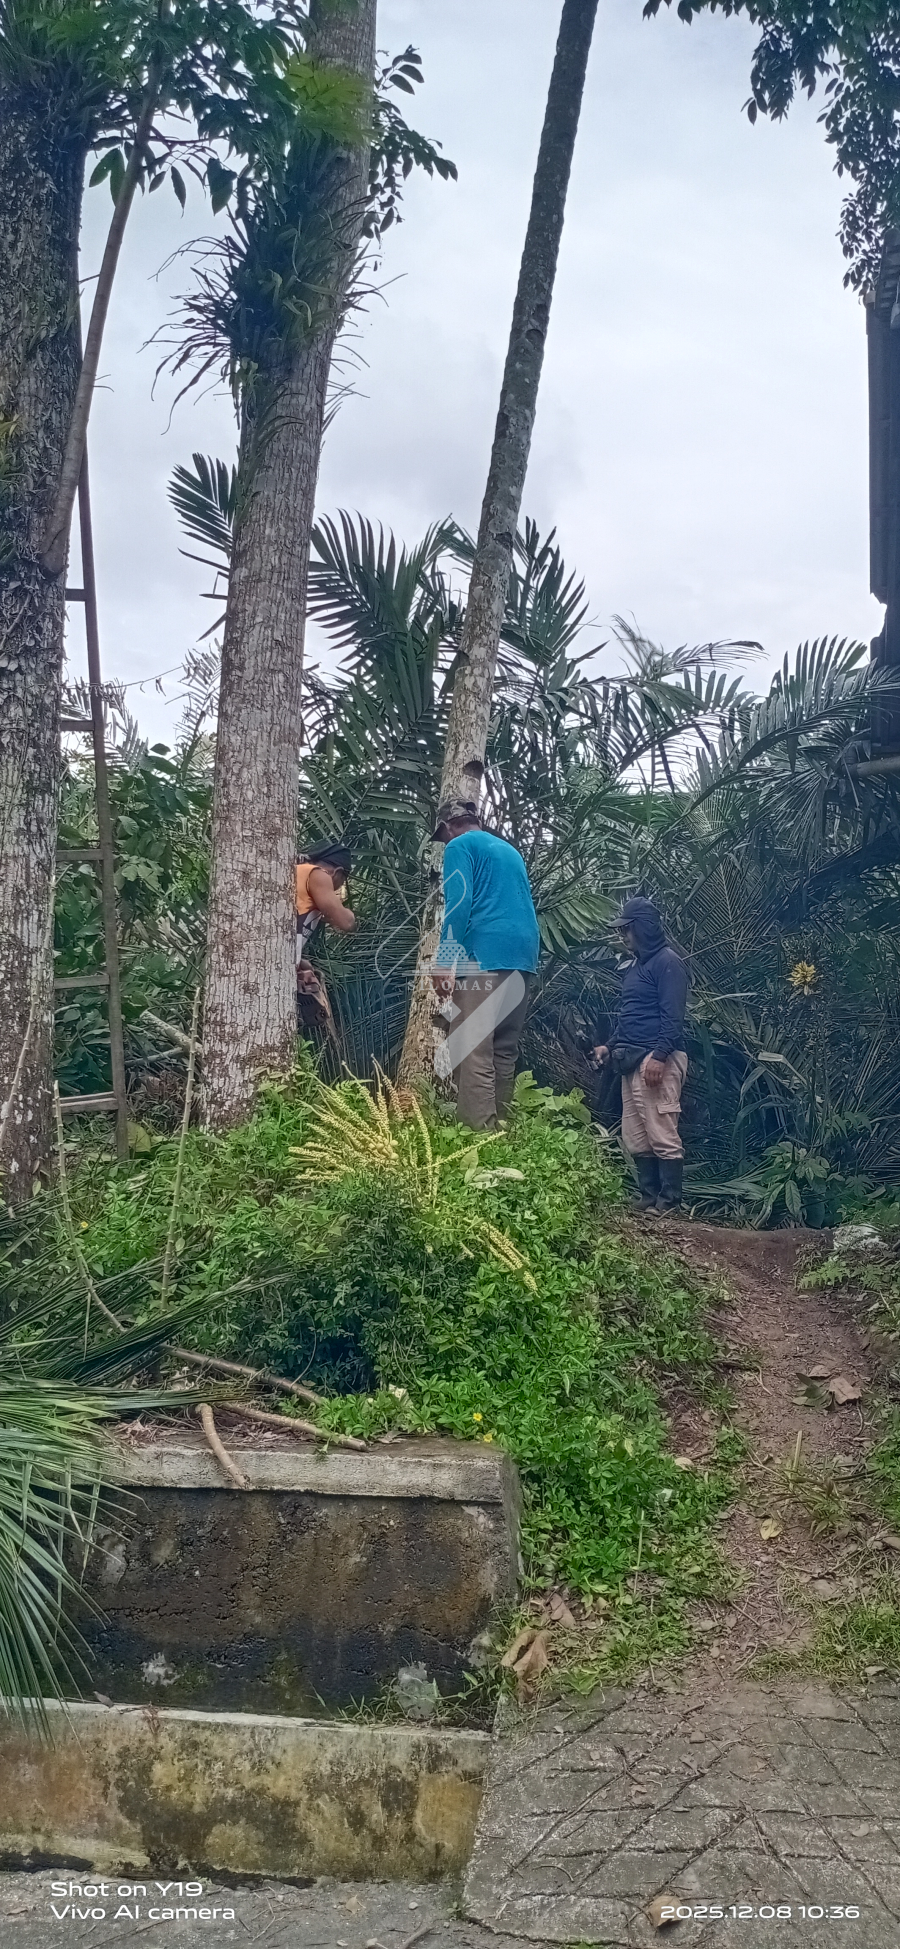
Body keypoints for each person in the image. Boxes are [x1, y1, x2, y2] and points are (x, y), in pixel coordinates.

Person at [431, 799, 540, 1130]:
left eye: (443, 837)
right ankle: (500, 1127)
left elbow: (459, 902)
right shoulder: (509, 851)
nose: (446, 843)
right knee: (503, 1047)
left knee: (471, 1045)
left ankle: (479, 1134)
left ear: (448, 828)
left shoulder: (460, 846)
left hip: (485, 953)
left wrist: (444, 960)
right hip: (523, 956)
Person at [592, 896, 688, 1215]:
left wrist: (660, 1055)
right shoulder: (636, 966)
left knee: (661, 1130)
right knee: (636, 1134)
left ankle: (669, 1202)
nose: (623, 936)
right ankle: (649, 1196)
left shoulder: (667, 962)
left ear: (642, 929)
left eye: (627, 930)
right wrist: (609, 1046)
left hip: (657, 1058)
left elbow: (673, 1016)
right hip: (632, 1058)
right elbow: (630, 1016)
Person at [295, 843, 356, 1022]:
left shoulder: (299, 873)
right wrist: (349, 916)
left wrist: (299, 962)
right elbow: (346, 922)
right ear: (337, 872)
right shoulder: (317, 874)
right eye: (342, 882)